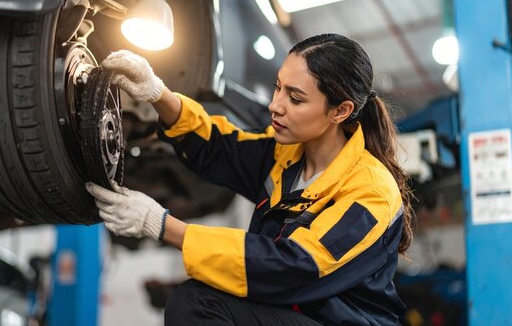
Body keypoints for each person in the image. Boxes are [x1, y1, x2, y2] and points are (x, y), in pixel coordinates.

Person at [85, 33, 414, 325]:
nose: (275, 105)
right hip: (288, 312)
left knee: (197, 304)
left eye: (295, 98)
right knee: (194, 298)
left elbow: (294, 266)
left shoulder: (371, 193)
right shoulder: (285, 154)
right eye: (278, 88)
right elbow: (219, 148)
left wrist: (163, 226)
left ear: (340, 111)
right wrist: (157, 93)